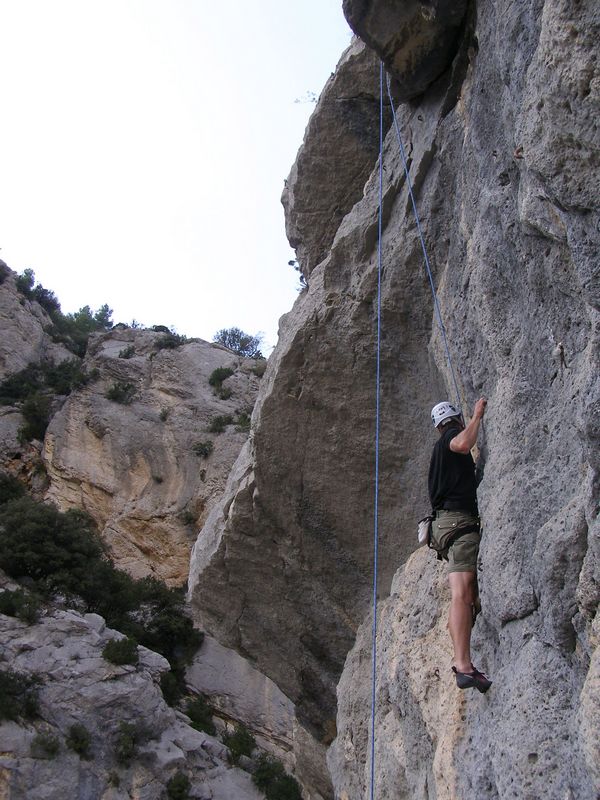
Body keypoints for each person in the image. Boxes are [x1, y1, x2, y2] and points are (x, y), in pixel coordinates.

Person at [428, 398, 492, 693]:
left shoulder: (437, 451)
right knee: (461, 594)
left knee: (461, 595)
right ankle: (464, 665)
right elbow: (463, 444)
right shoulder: (450, 440)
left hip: (443, 528)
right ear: (453, 420)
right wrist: (477, 416)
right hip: (459, 524)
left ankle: (461, 661)